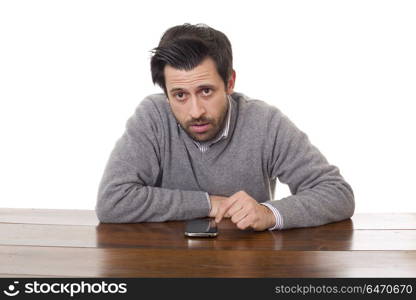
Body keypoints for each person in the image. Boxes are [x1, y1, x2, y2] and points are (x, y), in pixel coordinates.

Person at [95, 23, 355, 231]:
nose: (195, 111)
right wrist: (208, 204)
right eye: (180, 95)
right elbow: (113, 201)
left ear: (229, 82)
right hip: (165, 266)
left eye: (206, 91)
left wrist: (269, 214)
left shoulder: (265, 122)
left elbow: (337, 193)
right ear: (166, 93)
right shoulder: (152, 117)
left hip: (248, 267)